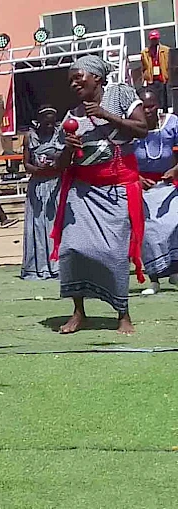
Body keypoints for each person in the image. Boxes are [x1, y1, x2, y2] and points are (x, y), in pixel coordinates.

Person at [52, 55, 148, 335]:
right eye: (70, 79)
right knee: (72, 249)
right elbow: (61, 164)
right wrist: (69, 148)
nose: (74, 83)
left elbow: (142, 129)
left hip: (116, 189)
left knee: (114, 253)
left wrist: (106, 115)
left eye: (78, 77)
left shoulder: (121, 94)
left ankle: (123, 314)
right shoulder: (72, 116)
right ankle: (78, 312)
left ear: (97, 77)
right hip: (82, 191)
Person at [134, 88, 178, 295]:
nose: (148, 110)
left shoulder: (172, 123)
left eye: (151, 105)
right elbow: (120, 158)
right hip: (142, 187)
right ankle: (154, 279)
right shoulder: (130, 129)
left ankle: (175, 271)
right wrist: (137, 177)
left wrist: (174, 170)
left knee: (173, 225)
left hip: (169, 185)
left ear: (158, 105)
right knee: (148, 231)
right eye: (143, 106)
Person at [21, 105, 63, 281]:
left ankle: (58, 266)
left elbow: (65, 159)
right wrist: (38, 169)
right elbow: (26, 164)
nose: (49, 126)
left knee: (56, 226)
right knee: (38, 226)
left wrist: (54, 166)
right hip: (38, 186)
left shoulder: (60, 135)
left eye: (52, 123)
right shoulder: (30, 137)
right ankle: (38, 267)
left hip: (56, 185)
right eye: (46, 123)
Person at [141, 30, 171, 111]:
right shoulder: (145, 52)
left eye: (155, 39)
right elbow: (144, 67)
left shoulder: (165, 50)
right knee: (153, 100)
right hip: (151, 80)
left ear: (158, 39)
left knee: (164, 101)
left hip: (162, 79)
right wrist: (145, 78)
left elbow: (169, 64)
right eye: (152, 39)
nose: (154, 41)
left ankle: (164, 114)